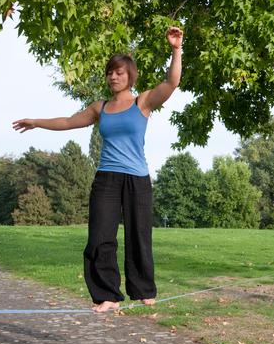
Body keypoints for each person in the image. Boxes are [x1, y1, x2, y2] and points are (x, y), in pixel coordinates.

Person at [12, 26, 183, 313]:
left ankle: (143, 290)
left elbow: (172, 82)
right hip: (106, 179)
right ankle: (107, 296)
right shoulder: (99, 107)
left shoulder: (143, 102)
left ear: (130, 76)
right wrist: (36, 121)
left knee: (138, 234)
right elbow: (67, 121)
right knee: (101, 235)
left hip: (137, 178)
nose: (113, 77)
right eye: (110, 72)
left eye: (119, 72)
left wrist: (176, 49)